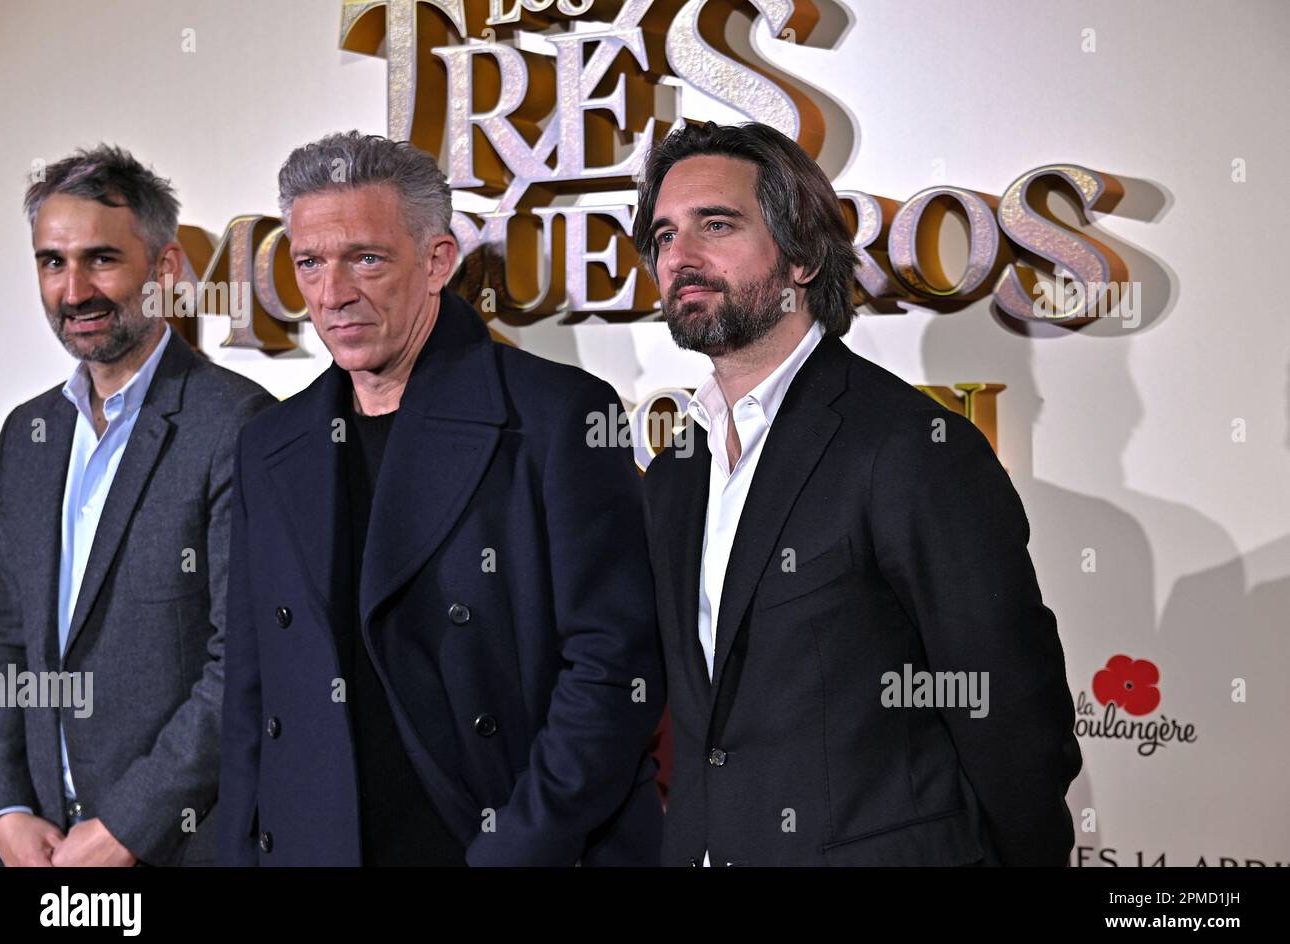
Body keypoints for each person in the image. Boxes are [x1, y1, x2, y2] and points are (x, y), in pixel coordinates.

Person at [632, 121, 1082, 866]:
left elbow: (1009, 713)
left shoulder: (909, 448)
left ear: (803, 256)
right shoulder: (680, 469)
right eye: (663, 235)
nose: (680, 255)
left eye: (716, 224)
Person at [217, 131, 664, 866]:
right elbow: (251, 694)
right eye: (309, 263)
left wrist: (513, 849)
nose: (333, 295)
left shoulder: (556, 418)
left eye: (366, 258)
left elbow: (614, 673)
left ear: (436, 262)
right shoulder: (270, 445)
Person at [0, 145, 273, 866]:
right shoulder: (27, 435)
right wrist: (6, 806)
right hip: (34, 847)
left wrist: (126, 827)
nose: (74, 288)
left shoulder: (236, 425)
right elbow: (5, 642)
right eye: (53, 262)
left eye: (102, 259)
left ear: (166, 268)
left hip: (175, 846)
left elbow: (242, 660)